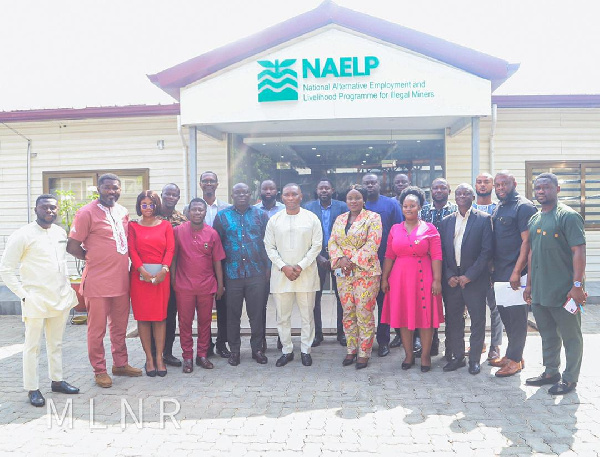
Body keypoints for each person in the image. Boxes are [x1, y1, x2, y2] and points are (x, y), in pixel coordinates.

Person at [0, 195, 80, 407]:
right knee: (32, 346)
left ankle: (57, 380)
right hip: (35, 299)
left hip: (59, 297)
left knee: (56, 343)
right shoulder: (23, 235)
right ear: (36, 209)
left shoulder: (60, 232)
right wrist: (23, 294)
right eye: (45, 207)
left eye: (53, 208)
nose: (50, 211)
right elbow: (6, 268)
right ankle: (32, 388)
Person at [67, 173, 142, 388]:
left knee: (119, 326)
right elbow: (72, 246)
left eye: (115, 188)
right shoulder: (86, 213)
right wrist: (91, 257)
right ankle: (99, 370)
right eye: (107, 188)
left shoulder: (122, 212)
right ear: (99, 189)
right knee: (96, 329)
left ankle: (120, 364)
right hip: (97, 281)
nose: (112, 191)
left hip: (121, 281)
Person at [524, 173, 586, 395]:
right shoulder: (535, 219)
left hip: (564, 290)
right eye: (538, 188)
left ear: (557, 189)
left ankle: (570, 379)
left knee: (571, 336)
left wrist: (577, 286)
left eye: (546, 187)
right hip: (541, 289)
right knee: (548, 334)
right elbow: (531, 254)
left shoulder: (568, 217)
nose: (541, 191)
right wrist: (529, 285)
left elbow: (578, 250)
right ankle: (551, 372)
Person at [381, 186, 443, 372]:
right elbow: (389, 255)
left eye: (413, 205)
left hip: (424, 278)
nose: (409, 209)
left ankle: (424, 355)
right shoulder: (395, 229)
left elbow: (437, 256)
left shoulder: (429, 229)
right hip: (399, 279)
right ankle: (408, 354)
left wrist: (437, 280)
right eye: (405, 206)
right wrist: (384, 278)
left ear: (420, 207)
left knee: (425, 318)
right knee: (403, 317)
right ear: (401, 208)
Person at [264, 183, 322, 367]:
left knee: (307, 315)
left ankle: (306, 350)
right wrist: (284, 267)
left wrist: (300, 266)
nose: (290, 198)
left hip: (306, 274)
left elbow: (317, 246)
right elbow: (269, 247)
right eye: (287, 195)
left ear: (301, 196)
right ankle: (287, 350)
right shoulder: (274, 220)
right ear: (282, 197)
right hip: (281, 276)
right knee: (282, 316)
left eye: (294, 194)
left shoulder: (311, 218)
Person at [213, 183, 270, 366]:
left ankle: (257, 349)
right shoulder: (222, 216)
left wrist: (268, 268)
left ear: (250, 194)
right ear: (232, 195)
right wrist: (220, 277)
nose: (242, 195)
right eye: (238, 192)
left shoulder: (261, 215)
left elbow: (268, 243)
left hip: (256, 273)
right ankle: (235, 351)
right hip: (232, 274)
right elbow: (217, 248)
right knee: (233, 315)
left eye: (245, 192)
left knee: (256, 314)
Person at [439, 184, 493, 375]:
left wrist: (469, 276)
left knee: (477, 320)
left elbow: (487, 252)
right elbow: (442, 253)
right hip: (452, 280)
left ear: (472, 196)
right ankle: (458, 357)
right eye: (459, 193)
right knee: (454, 320)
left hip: (475, 280)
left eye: (466, 193)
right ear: (455, 197)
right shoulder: (446, 222)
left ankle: (475, 360)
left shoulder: (484, 220)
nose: (462, 196)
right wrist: (449, 275)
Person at [489, 171, 537, 377]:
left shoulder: (523, 206)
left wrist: (517, 271)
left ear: (514, 184)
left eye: (504, 184)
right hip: (500, 272)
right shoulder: (500, 205)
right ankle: (513, 355)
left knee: (517, 319)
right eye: (497, 185)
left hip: (516, 273)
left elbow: (527, 242)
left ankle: (515, 361)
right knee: (506, 315)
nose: (500, 188)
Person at [328, 186, 382, 369]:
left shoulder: (373, 218)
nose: (353, 201)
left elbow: (372, 244)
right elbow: (332, 241)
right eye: (350, 198)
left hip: (366, 272)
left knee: (364, 311)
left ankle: (364, 352)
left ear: (364, 199)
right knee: (348, 311)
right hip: (343, 273)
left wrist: (350, 259)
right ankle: (351, 349)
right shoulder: (340, 219)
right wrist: (340, 260)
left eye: (357, 198)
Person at [172, 198, 225, 372]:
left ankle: (202, 355)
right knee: (185, 323)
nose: (197, 213)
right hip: (184, 286)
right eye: (194, 210)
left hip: (206, 285)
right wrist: (173, 281)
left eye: (200, 210)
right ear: (188, 213)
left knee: (205, 322)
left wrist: (220, 285)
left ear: (205, 212)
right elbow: (173, 259)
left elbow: (217, 261)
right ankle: (187, 356)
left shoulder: (212, 233)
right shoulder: (178, 231)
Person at [128, 191, 175, 377]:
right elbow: (132, 249)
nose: (147, 208)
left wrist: (164, 269)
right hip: (140, 278)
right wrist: (142, 271)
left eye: (151, 204)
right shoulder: (133, 226)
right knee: (143, 318)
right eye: (144, 204)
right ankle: (149, 358)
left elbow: (170, 248)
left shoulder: (165, 225)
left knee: (160, 318)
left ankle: (160, 359)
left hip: (161, 277)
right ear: (139, 206)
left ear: (157, 205)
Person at [361, 173, 403, 357]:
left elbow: (399, 231)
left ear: (379, 185)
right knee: (364, 305)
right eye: (366, 183)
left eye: (373, 183)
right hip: (362, 266)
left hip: (386, 262)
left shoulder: (391, 205)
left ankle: (383, 341)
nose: (370, 186)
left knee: (384, 305)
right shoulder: (358, 205)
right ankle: (364, 341)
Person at [304, 179, 348, 347]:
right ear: (317, 190)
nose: (324, 190)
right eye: (321, 188)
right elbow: (306, 234)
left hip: (339, 259)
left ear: (332, 190)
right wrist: (316, 256)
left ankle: (342, 333)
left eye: (327, 188)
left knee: (341, 296)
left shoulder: (342, 207)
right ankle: (317, 334)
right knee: (315, 297)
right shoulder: (308, 208)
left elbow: (347, 231)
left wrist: (338, 256)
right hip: (317, 258)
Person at [420, 177, 457, 358]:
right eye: (436, 188)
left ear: (449, 191)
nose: (439, 191)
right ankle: (431, 346)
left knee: (452, 309)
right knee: (429, 309)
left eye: (443, 188)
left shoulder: (457, 210)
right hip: (428, 267)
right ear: (431, 191)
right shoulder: (424, 212)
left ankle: (451, 348)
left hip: (451, 266)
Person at [151, 183, 187, 368]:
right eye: (168, 194)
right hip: (153, 273)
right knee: (154, 316)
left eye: (174, 194)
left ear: (178, 198)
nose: (170, 197)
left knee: (171, 314)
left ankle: (168, 353)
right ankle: (152, 355)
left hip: (173, 274)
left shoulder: (182, 220)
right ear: (162, 195)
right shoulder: (151, 216)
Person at [472, 173, 503, 361]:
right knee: (474, 309)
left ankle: (495, 345)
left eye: (486, 182)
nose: (482, 185)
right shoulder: (469, 207)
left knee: (496, 308)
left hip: (495, 267)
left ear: (492, 185)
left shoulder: (499, 208)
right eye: (479, 182)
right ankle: (478, 342)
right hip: (473, 267)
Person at [200, 171, 231, 358]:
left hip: (222, 262)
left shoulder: (226, 208)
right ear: (200, 184)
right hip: (199, 264)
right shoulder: (192, 207)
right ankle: (206, 344)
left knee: (223, 307)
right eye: (205, 181)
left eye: (212, 181)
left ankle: (221, 343)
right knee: (203, 308)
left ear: (217, 184)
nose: (208, 184)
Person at [254, 179, 285, 352]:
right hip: (260, 264)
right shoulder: (254, 210)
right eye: (264, 188)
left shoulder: (283, 210)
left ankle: (283, 338)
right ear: (260, 191)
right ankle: (261, 341)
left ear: (276, 190)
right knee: (260, 305)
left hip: (281, 263)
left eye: (271, 188)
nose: (268, 191)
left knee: (282, 304)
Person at [390, 173, 411, 348]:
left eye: (404, 181)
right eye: (398, 182)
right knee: (398, 302)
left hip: (415, 256)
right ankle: (399, 334)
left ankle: (417, 337)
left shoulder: (419, 204)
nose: (401, 184)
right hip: (396, 254)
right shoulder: (390, 203)